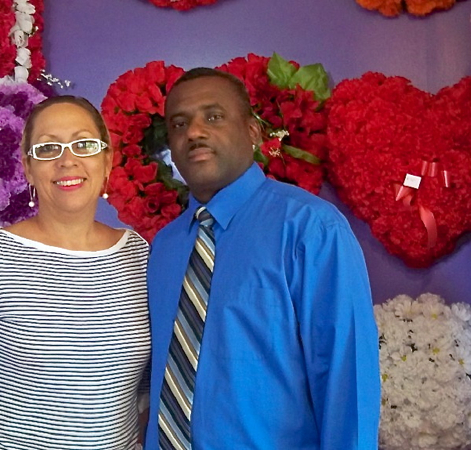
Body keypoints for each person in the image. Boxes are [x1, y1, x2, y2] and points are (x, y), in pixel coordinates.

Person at [144, 68, 381, 449]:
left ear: (253, 133)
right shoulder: (164, 248)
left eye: (214, 116)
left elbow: (346, 380)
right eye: (179, 123)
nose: (194, 132)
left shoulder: (311, 230)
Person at [0, 96, 150, 450]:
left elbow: (145, 395)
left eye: (84, 144)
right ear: (28, 168)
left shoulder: (139, 256)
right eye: (48, 148)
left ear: (107, 160)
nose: (67, 160)